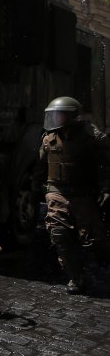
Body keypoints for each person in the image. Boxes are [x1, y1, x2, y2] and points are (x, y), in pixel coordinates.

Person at [33, 96, 110, 295]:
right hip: (57, 194)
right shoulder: (48, 139)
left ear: (73, 116)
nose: (57, 118)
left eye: (61, 114)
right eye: (55, 115)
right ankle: (76, 278)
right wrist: (37, 189)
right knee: (59, 236)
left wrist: (106, 188)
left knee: (94, 240)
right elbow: (40, 167)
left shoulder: (92, 137)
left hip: (83, 195)